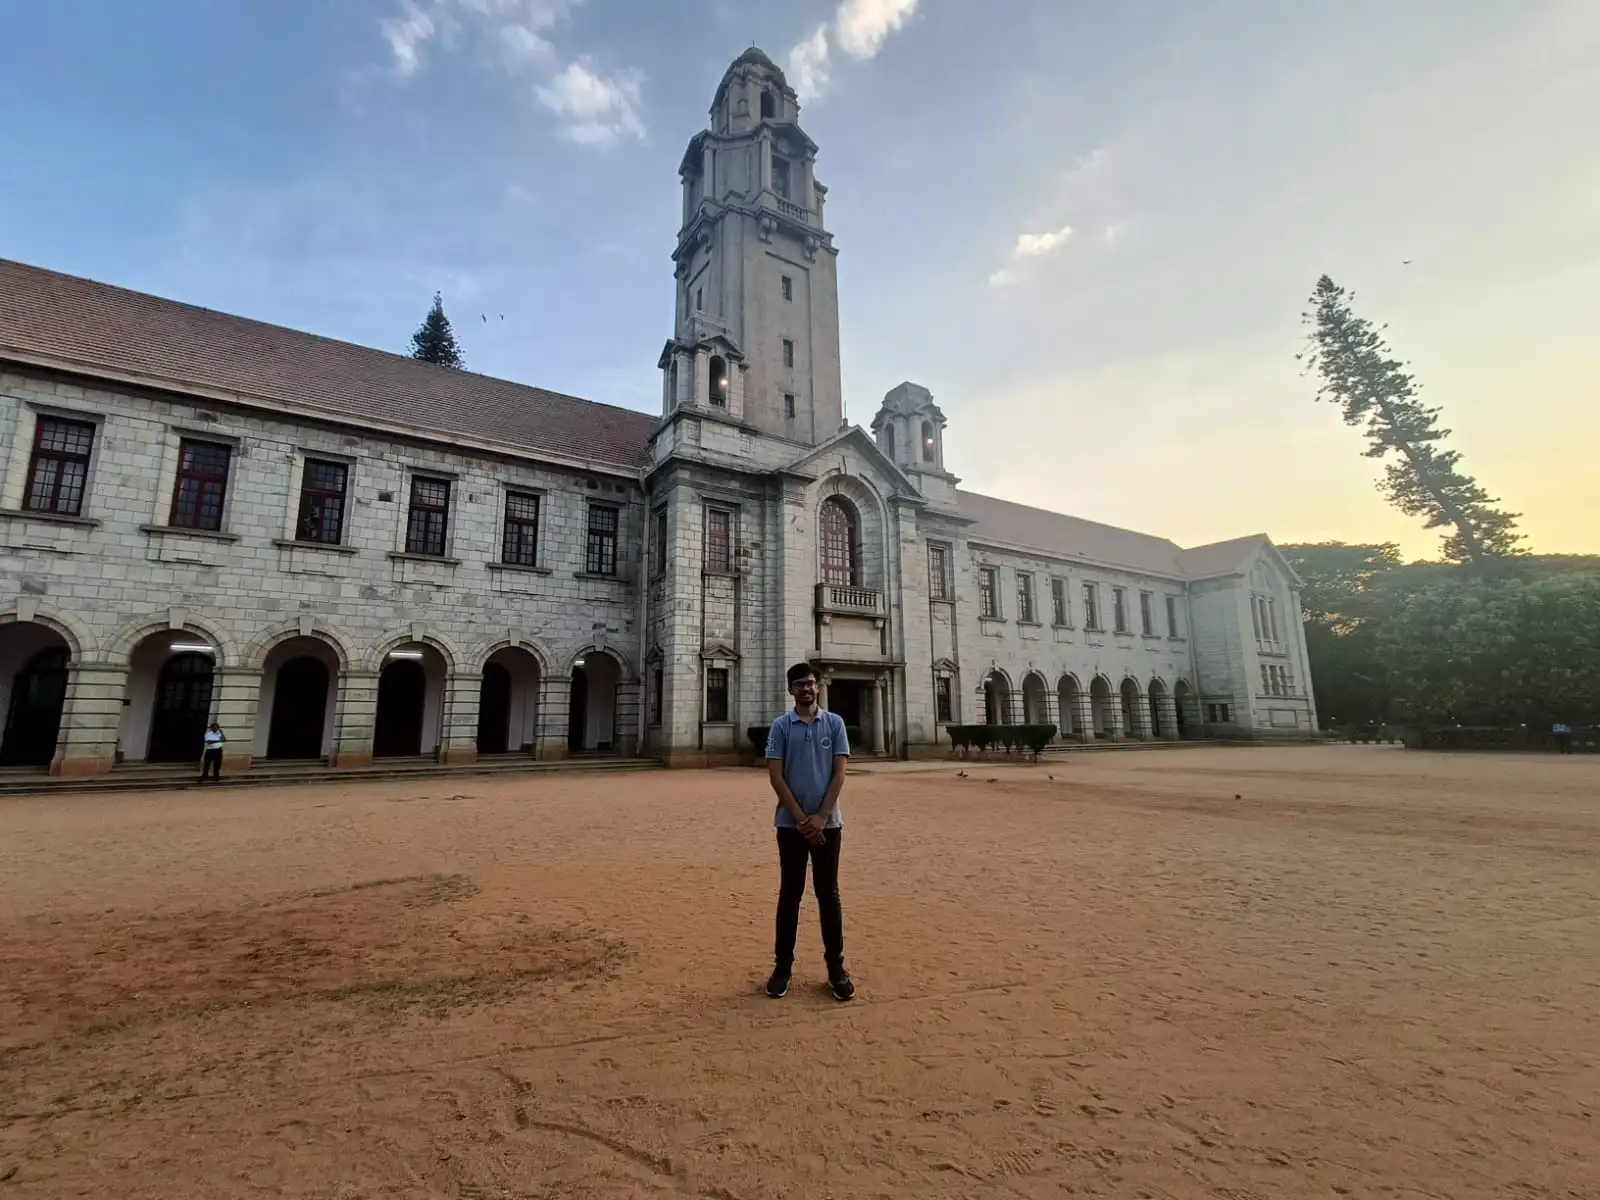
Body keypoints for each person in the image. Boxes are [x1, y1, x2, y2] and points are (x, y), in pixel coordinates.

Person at [763, 661, 854, 1002]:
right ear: (791, 690)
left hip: (828, 825)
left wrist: (820, 818)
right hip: (791, 826)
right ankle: (782, 968)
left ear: (819, 687)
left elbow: (840, 775)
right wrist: (804, 820)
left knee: (829, 896)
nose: (806, 688)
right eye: (800, 684)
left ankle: (836, 969)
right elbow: (776, 778)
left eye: (811, 683)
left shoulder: (835, 723)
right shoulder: (780, 727)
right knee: (790, 895)